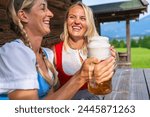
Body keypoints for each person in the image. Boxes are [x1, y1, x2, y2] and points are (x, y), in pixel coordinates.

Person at [0, 0, 115, 100]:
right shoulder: (14, 52)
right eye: (42, 8)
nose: (51, 14)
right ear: (24, 16)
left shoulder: (46, 55)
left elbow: (51, 99)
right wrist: (81, 76)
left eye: (83, 18)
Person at [52, 2, 116, 100]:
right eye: (72, 17)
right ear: (66, 21)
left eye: (83, 18)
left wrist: (112, 64)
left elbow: (105, 77)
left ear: (89, 23)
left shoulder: (97, 48)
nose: (77, 22)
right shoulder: (55, 51)